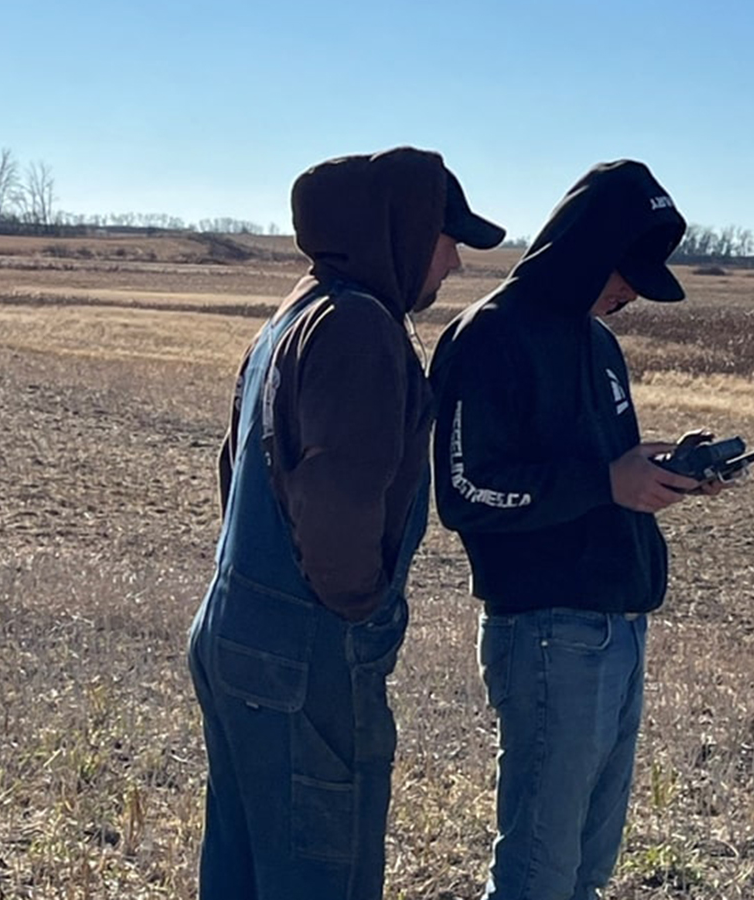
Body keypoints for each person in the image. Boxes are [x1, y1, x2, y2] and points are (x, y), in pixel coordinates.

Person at [188, 146, 505, 900]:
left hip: (235, 632)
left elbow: (232, 473)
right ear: (398, 230)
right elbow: (335, 505)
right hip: (309, 656)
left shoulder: (292, 316)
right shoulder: (360, 329)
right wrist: (365, 616)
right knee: (324, 877)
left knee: (242, 870)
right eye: (445, 237)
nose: (455, 262)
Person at [429, 159, 719, 900]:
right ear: (587, 251)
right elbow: (465, 491)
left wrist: (657, 471)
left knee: (584, 872)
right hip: (551, 634)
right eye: (623, 274)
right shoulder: (488, 335)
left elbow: (603, 471)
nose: (627, 294)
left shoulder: (598, 345)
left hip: (620, 627)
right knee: (538, 873)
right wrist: (605, 481)